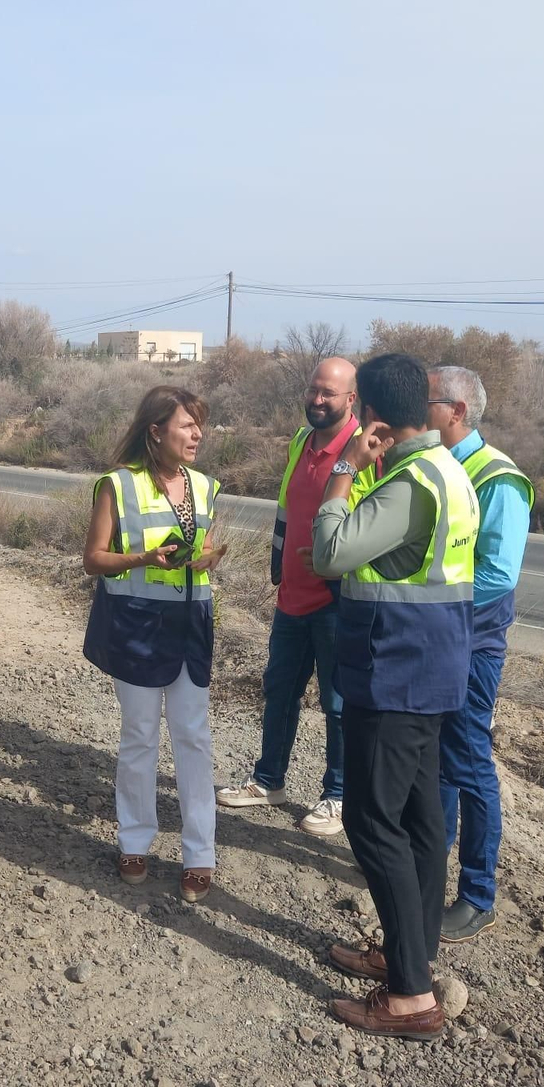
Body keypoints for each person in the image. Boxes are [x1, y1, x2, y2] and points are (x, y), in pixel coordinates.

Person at [309, 353, 479, 1041]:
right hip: (433, 666)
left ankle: (410, 995)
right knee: (418, 821)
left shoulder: (408, 481)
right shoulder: (451, 470)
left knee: (374, 823)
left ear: (373, 414)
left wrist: (347, 467)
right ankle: (410, 954)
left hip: (396, 669)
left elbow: (331, 551)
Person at [82, 386, 227, 903]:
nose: (197, 435)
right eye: (187, 425)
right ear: (156, 430)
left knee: (194, 738)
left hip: (192, 626)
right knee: (140, 736)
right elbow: (94, 559)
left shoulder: (206, 487)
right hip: (138, 626)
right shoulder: (117, 486)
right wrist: (143, 558)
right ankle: (134, 841)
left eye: (199, 425)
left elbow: (205, 545)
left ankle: (199, 855)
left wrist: (208, 557)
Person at [217, 358, 357, 836]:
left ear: (350, 399)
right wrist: (278, 565)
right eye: (313, 390)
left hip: (337, 602)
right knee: (280, 691)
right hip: (292, 596)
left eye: (329, 394)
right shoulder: (301, 440)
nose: (317, 401)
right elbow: (287, 508)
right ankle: (268, 780)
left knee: (338, 706)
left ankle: (338, 796)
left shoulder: (364, 451)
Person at [426, 366, 533, 942]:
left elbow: (496, 573)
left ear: (458, 410)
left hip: (471, 642)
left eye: (429, 402)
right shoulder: (439, 466)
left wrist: (428, 604)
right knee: (442, 755)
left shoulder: (497, 479)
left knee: (468, 761)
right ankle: (429, 865)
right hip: (439, 638)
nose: (421, 412)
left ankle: (477, 894)